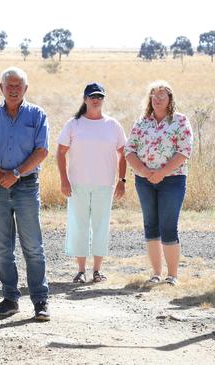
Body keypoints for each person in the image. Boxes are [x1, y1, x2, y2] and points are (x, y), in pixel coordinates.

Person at [0, 67, 50, 321]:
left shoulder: (37, 115)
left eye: (19, 86)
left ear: (26, 89)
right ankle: (9, 298)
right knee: (2, 246)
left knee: (33, 246)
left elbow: (42, 151)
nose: (14, 90)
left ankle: (40, 300)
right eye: (10, 85)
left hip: (26, 185)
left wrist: (15, 173)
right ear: (1, 88)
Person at [56, 82, 127, 283]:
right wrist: (64, 179)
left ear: (103, 99)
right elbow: (60, 153)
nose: (96, 100)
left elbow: (124, 154)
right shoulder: (74, 124)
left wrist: (122, 180)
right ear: (85, 99)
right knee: (79, 226)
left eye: (99, 96)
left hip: (104, 185)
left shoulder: (113, 125)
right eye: (92, 96)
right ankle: (80, 270)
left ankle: (97, 270)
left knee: (100, 225)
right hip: (77, 185)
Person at [125, 80, 193, 286]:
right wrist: (145, 171)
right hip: (144, 180)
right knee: (150, 225)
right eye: (154, 95)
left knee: (168, 225)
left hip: (172, 180)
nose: (157, 99)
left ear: (170, 99)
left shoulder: (180, 121)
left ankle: (172, 275)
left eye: (162, 95)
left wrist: (162, 172)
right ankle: (156, 273)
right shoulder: (142, 122)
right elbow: (129, 150)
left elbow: (184, 151)